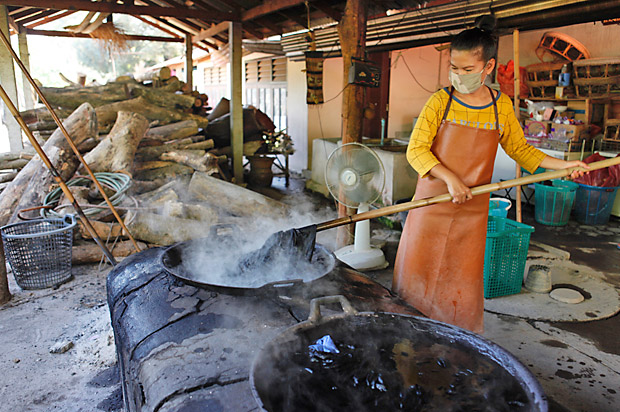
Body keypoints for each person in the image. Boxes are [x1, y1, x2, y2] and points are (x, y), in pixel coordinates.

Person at [393, 16, 588, 334]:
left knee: (459, 280)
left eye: (467, 70)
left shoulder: (502, 107)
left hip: (472, 209)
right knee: (418, 275)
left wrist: (563, 166)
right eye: (454, 68)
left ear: (488, 67)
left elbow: (522, 152)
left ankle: (454, 338)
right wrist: (450, 178)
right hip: (432, 204)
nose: (458, 76)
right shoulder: (440, 102)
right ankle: (407, 331)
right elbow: (416, 151)